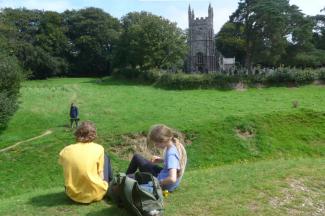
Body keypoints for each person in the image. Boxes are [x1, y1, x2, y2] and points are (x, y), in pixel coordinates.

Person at [59, 121, 113, 203]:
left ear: (77, 134)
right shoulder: (98, 148)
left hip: (72, 195)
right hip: (96, 193)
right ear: (93, 134)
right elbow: (101, 177)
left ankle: (77, 187)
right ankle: (110, 184)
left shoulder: (66, 150)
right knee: (106, 157)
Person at [126, 124, 187, 192]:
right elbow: (174, 162)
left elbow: (172, 178)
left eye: (156, 143)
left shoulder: (171, 154)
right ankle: (124, 180)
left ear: (164, 141)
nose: (155, 145)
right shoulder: (173, 145)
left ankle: (123, 181)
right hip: (163, 174)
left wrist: (158, 183)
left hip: (162, 183)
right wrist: (161, 160)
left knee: (130, 177)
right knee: (137, 157)